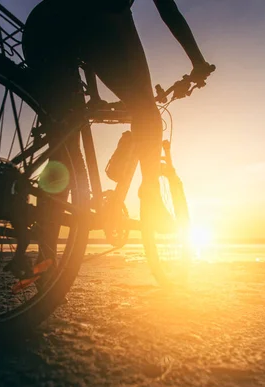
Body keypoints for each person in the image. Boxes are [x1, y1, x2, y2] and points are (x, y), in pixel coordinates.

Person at [22, 0, 212, 252]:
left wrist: (96, 93)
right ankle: (151, 196)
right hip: (97, 21)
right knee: (147, 113)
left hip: (43, 24)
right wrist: (198, 62)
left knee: (63, 149)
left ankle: (46, 266)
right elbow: (168, 11)